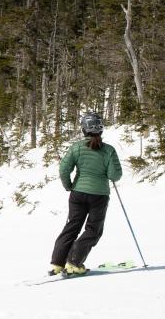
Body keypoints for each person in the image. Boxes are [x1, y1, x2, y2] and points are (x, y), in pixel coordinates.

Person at [50, 112, 123, 276]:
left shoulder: (76, 147)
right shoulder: (109, 150)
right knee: (93, 230)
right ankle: (74, 262)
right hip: (99, 195)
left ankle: (58, 263)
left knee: (72, 226)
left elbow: (63, 169)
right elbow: (115, 175)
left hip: (78, 194)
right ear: (101, 129)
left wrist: (68, 185)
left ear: (84, 129)